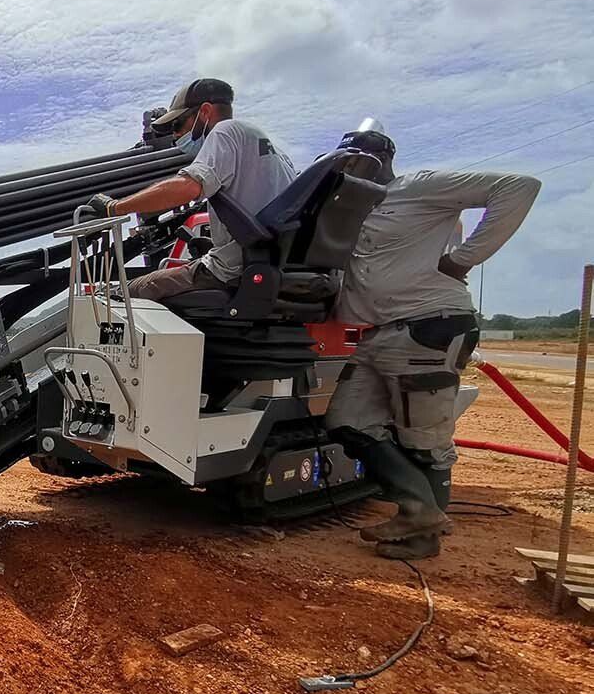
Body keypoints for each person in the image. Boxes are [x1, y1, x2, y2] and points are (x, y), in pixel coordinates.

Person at [325, 121, 541, 560]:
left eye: (361, 158)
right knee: (347, 421)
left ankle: (423, 535)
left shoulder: (417, 188)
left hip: (426, 327)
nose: (352, 167)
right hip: (375, 335)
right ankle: (419, 510)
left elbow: (519, 187)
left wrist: (462, 260)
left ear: (385, 159)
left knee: (424, 440)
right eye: (345, 161)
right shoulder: (353, 209)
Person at [88, 78, 297, 302]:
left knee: (123, 294)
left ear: (205, 112)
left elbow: (189, 186)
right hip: (273, 265)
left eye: (178, 125)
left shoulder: (225, 131)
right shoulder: (273, 151)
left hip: (232, 271)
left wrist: (115, 207)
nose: (175, 135)